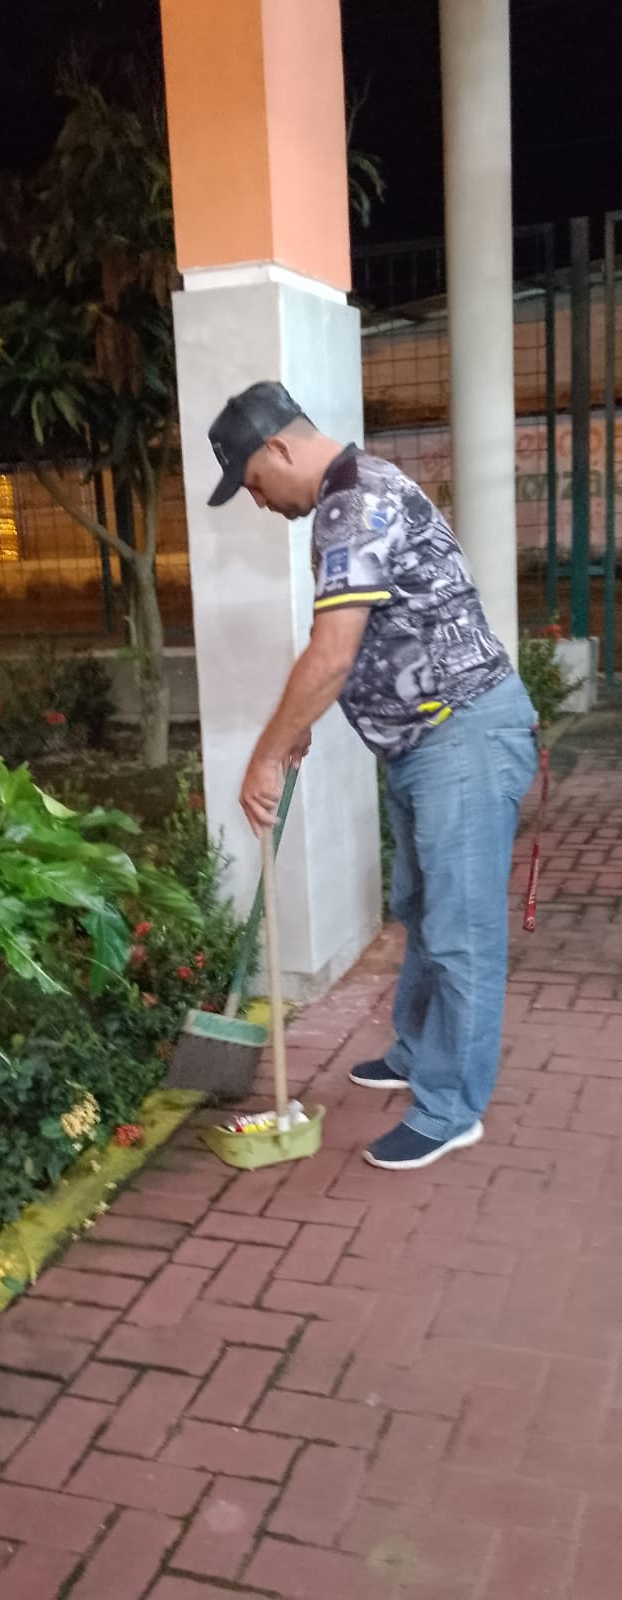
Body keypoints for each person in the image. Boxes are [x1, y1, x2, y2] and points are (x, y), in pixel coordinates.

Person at [206, 381, 538, 1171]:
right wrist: (299, 726)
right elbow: (354, 645)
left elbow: (332, 654)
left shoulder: (354, 503)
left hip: (462, 737)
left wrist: (266, 754)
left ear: (278, 448)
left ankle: (451, 1107)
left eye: (254, 483)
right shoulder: (352, 494)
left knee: (461, 932)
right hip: (425, 743)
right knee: (421, 909)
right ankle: (419, 1052)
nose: (259, 502)